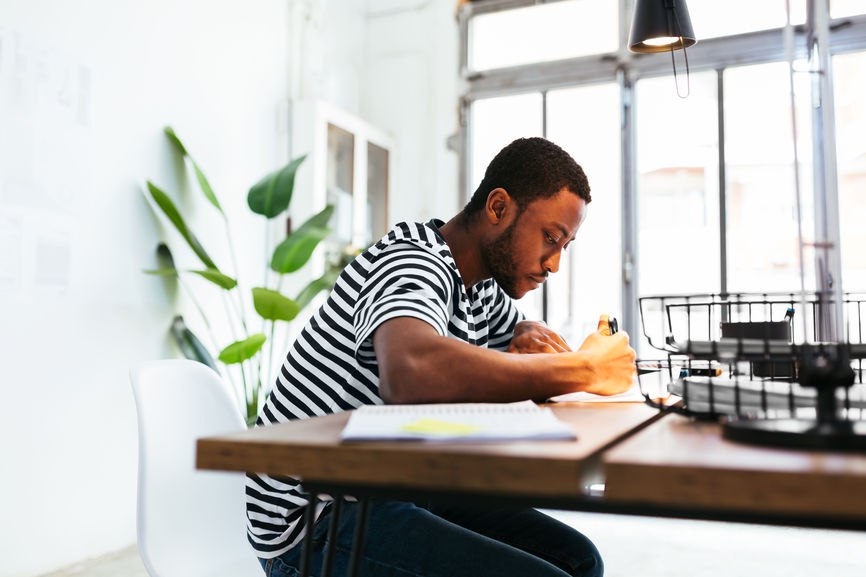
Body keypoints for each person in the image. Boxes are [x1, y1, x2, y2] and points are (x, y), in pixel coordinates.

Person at [247, 136, 636, 577]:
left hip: (392, 488)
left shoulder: (481, 283)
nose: (554, 264)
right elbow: (411, 373)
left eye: (565, 246)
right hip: (315, 517)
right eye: (550, 238)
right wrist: (584, 368)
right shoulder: (412, 259)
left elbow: (520, 337)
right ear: (498, 208)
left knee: (580, 561)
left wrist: (531, 333)